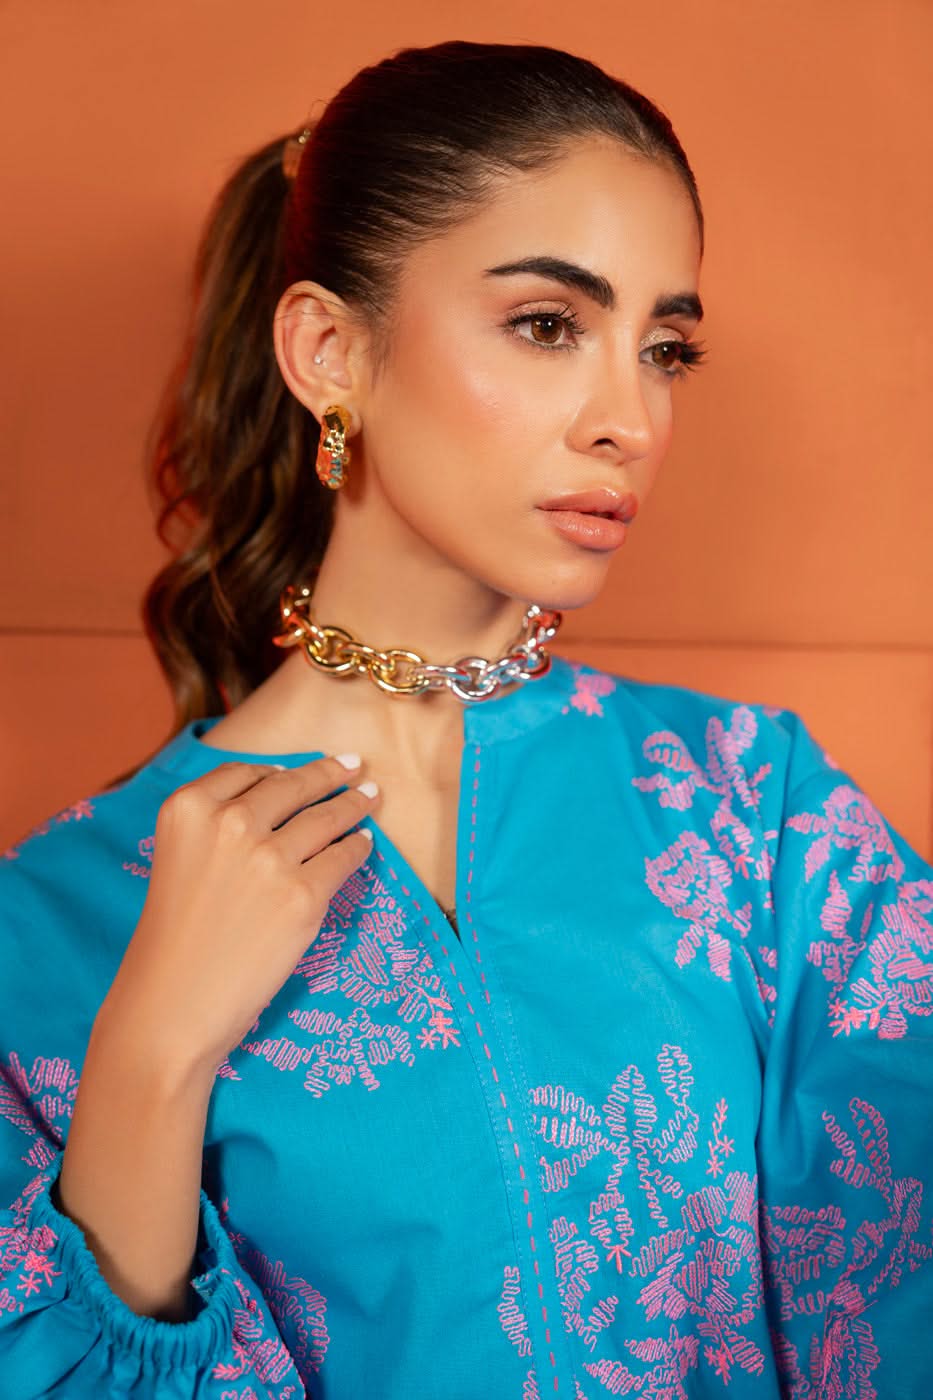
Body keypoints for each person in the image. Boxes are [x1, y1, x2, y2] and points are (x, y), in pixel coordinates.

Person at [1, 37, 930, 1400]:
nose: (630, 419)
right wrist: (151, 1055)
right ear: (328, 350)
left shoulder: (756, 810)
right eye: (548, 325)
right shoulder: (53, 925)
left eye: (664, 348)